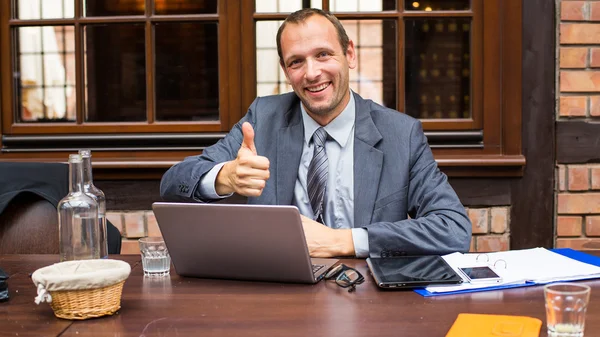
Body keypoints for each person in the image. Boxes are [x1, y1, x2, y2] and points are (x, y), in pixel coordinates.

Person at [160, 8, 471, 258]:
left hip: (366, 300)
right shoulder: (263, 119)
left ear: (349, 54)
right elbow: (172, 184)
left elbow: (453, 229)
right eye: (297, 61)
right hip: (277, 294)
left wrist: (345, 241)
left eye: (323, 54)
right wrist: (224, 177)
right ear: (286, 70)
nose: (311, 73)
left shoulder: (400, 134)